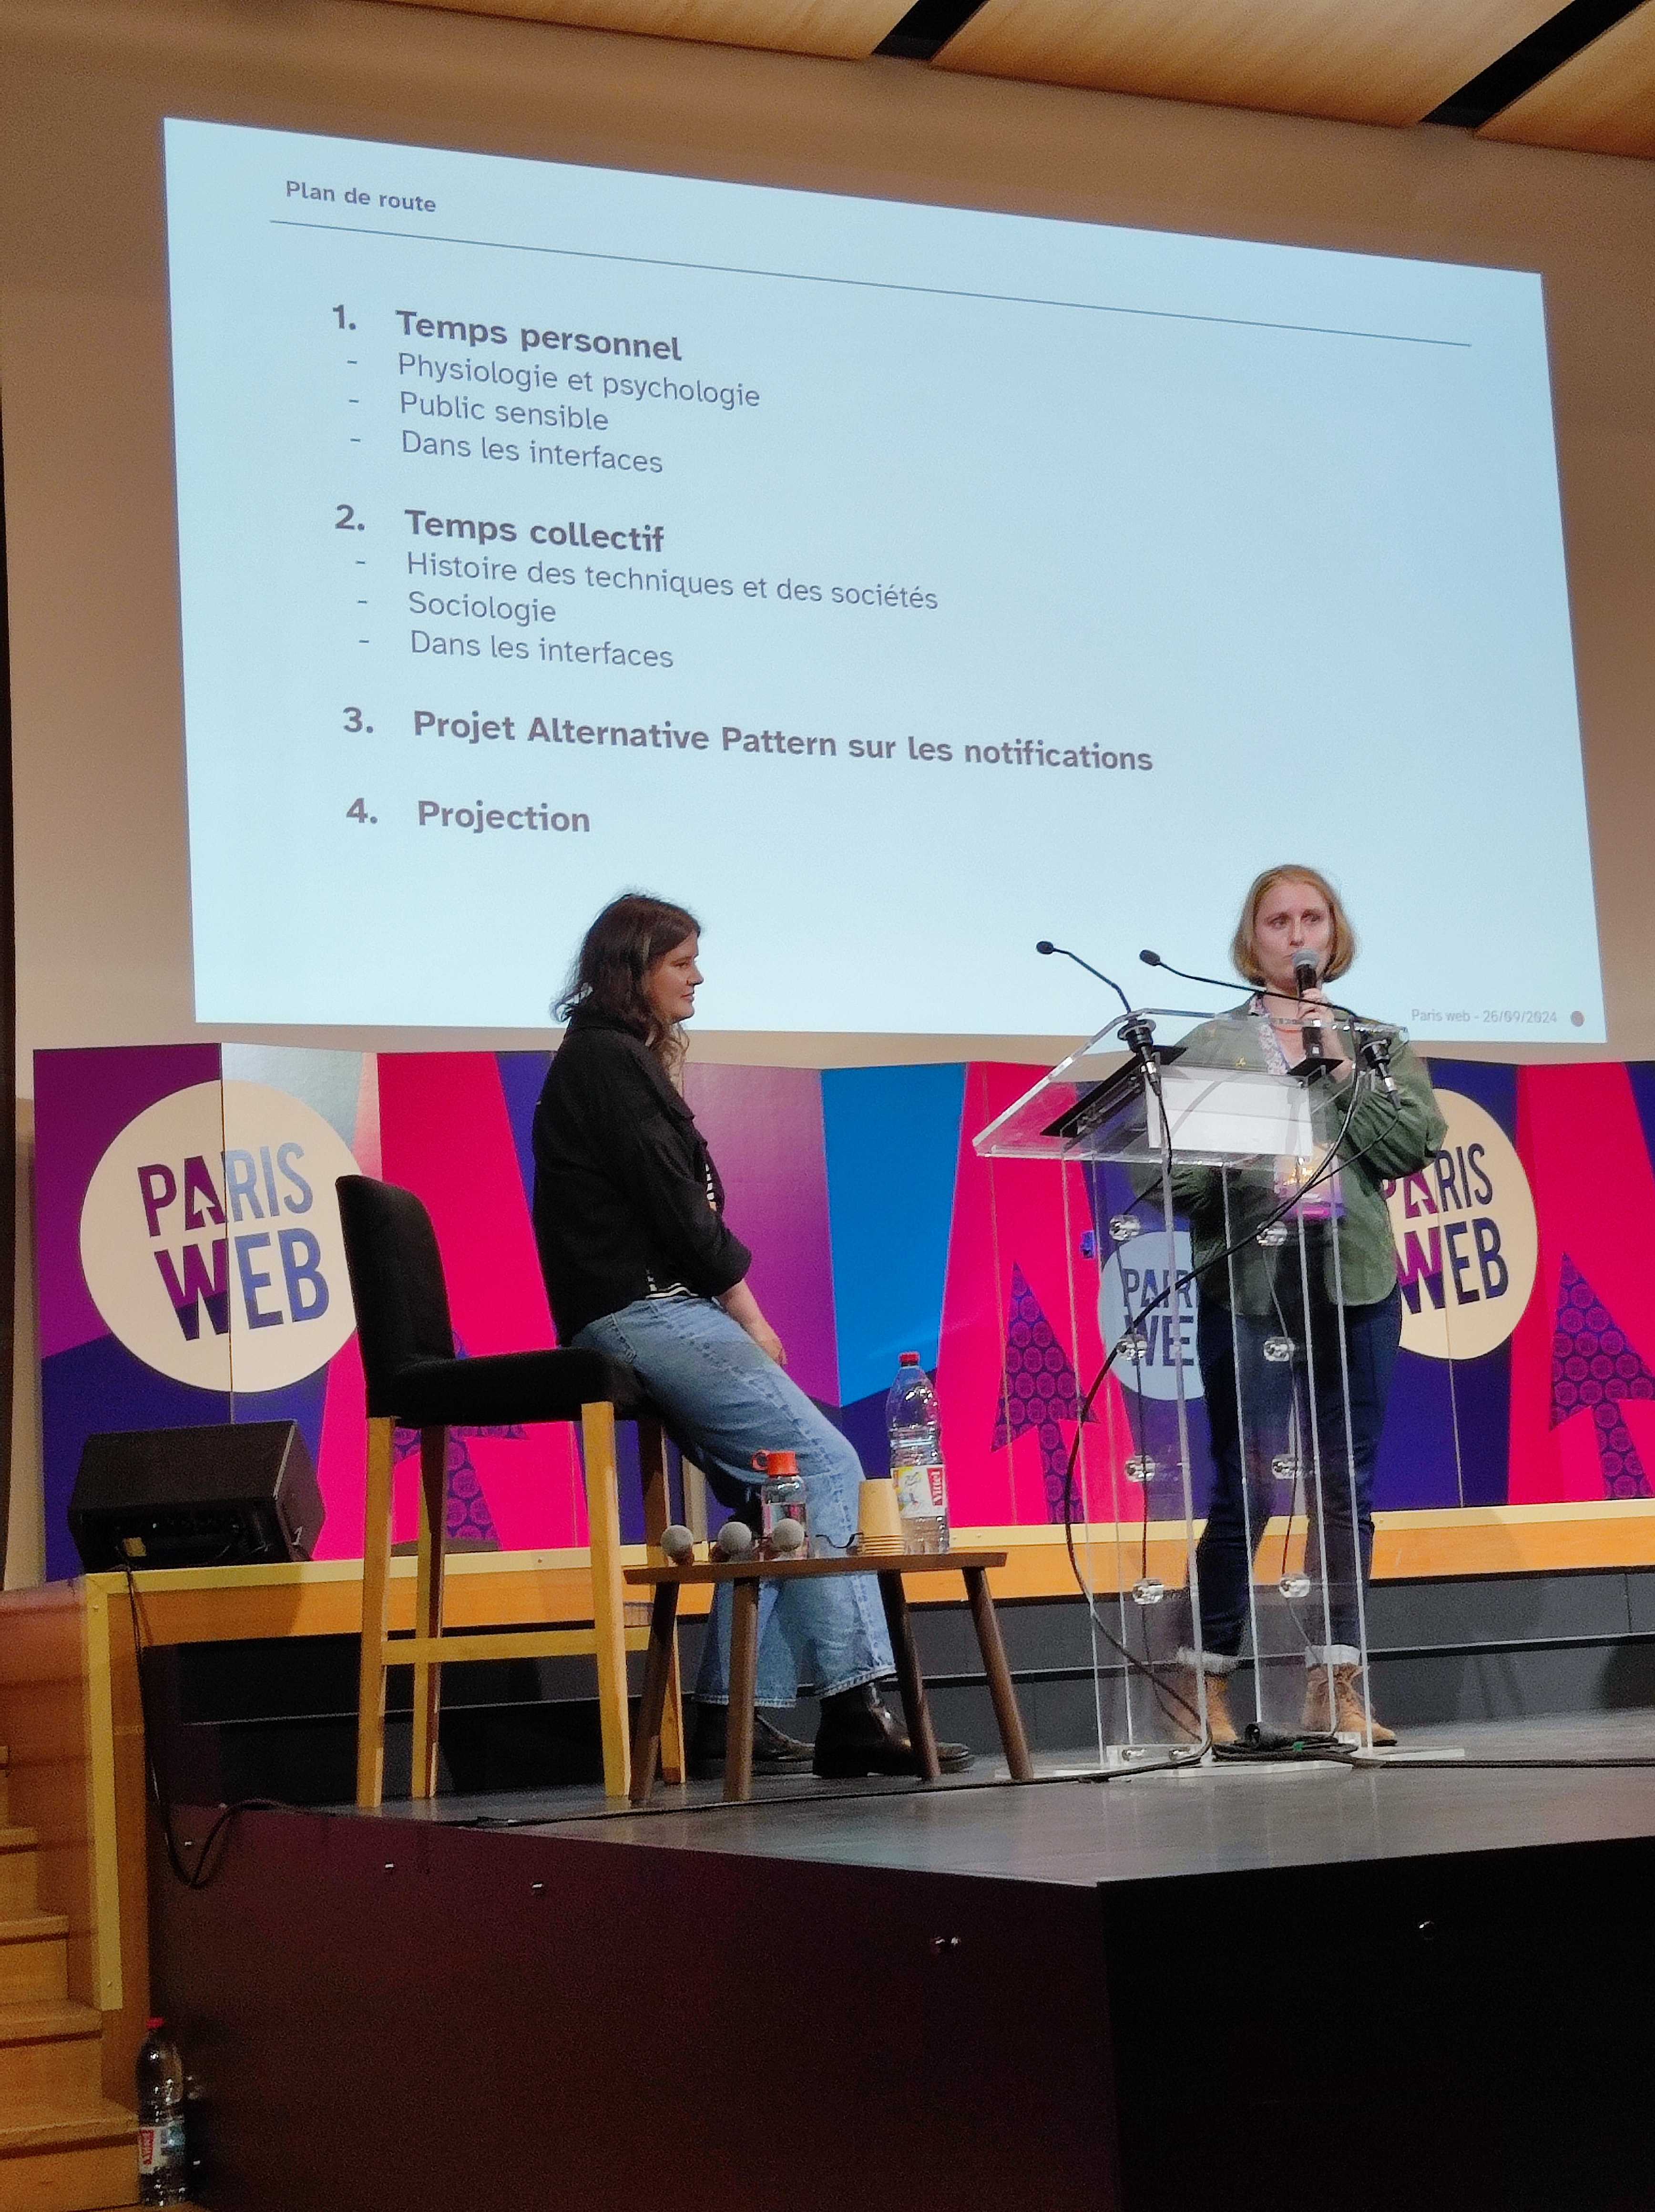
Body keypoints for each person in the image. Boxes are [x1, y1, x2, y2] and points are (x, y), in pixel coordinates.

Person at [531, 891, 971, 1781]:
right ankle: (853, 1708)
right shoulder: (609, 1063)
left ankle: (724, 1717)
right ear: (633, 971)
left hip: (650, 1306)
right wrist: (749, 1310)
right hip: (644, 1308)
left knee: (781, 1499)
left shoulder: (609, 1061)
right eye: (680, 961)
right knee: (821, 1468)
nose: (698, 976)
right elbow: (676, 1208)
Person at [1159, 865, 1445, 1746]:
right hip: (1251, 1289)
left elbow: (1407, 1148)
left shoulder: (1375, 1043)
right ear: (1255, 939)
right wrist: (1246, 1165)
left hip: (1354, 1283)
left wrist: (1341, 1069)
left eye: (1311, 918)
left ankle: (1337, 1687)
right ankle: (1202, 1687)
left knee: (1343, 1489)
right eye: (1278, 921)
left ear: (1334, 932)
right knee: (1246, 1489)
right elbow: (1165, 1179)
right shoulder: (1211, 1045)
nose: (1297, 935)